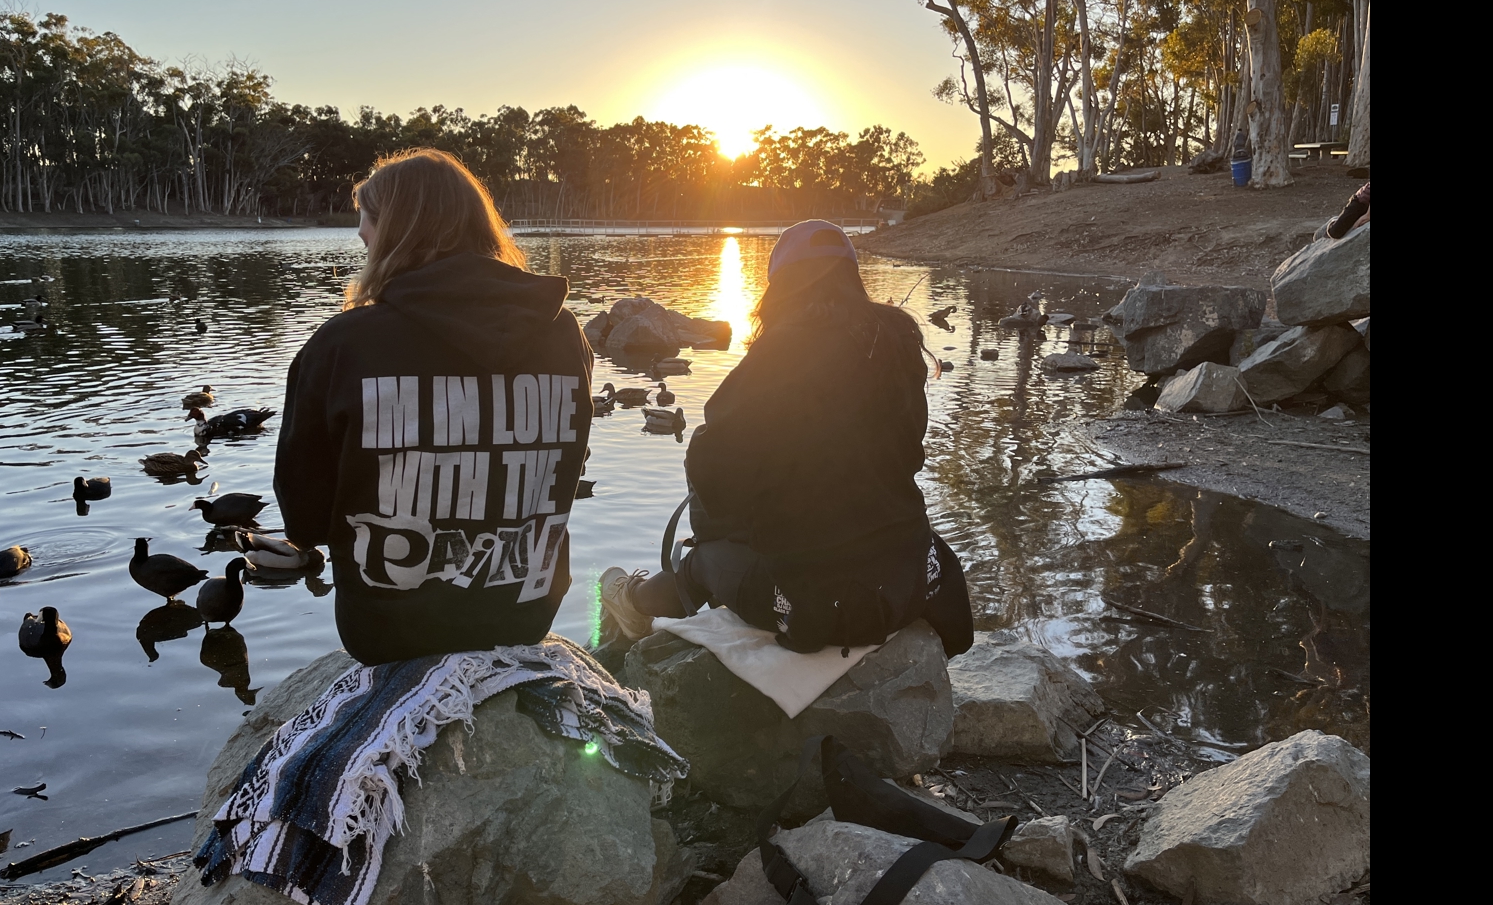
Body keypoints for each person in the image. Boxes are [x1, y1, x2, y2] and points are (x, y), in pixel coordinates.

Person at [273, 149, 593, 665]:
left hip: (389, 631)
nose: (362, 242)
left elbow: (304, 519)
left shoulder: (343, 345)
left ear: (397, 235)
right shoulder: (564, 333)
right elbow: (567, 467)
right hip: (524, 614)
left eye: (368, 231)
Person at [598, 220, 972, 656]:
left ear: (781, 285)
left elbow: (714, 476)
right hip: (908, 575)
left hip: (823, 600)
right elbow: (909, 453)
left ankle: (631, 602)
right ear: (851, 276)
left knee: (703, 560)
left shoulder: (780, 351)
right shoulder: (898, 339)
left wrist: (728, 525)